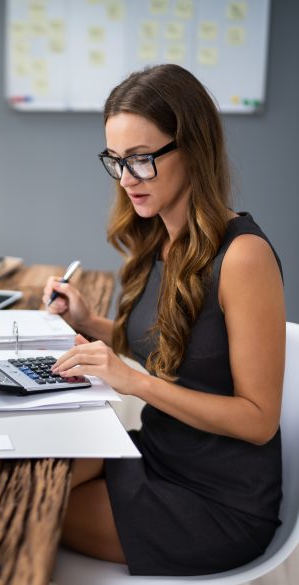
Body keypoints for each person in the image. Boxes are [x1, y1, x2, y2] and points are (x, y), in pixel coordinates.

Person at [43, 64, 285, 576]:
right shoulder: (161, 238)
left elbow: (259, 420)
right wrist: (92, 323)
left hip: (217, 503)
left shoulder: (242, 257)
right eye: (117, 160)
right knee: (26, 477)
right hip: (157, 454)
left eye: (143, 159)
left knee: (31, 511)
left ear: (193, 147)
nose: (128, 178)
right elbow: (180, 348)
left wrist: (133, 382)